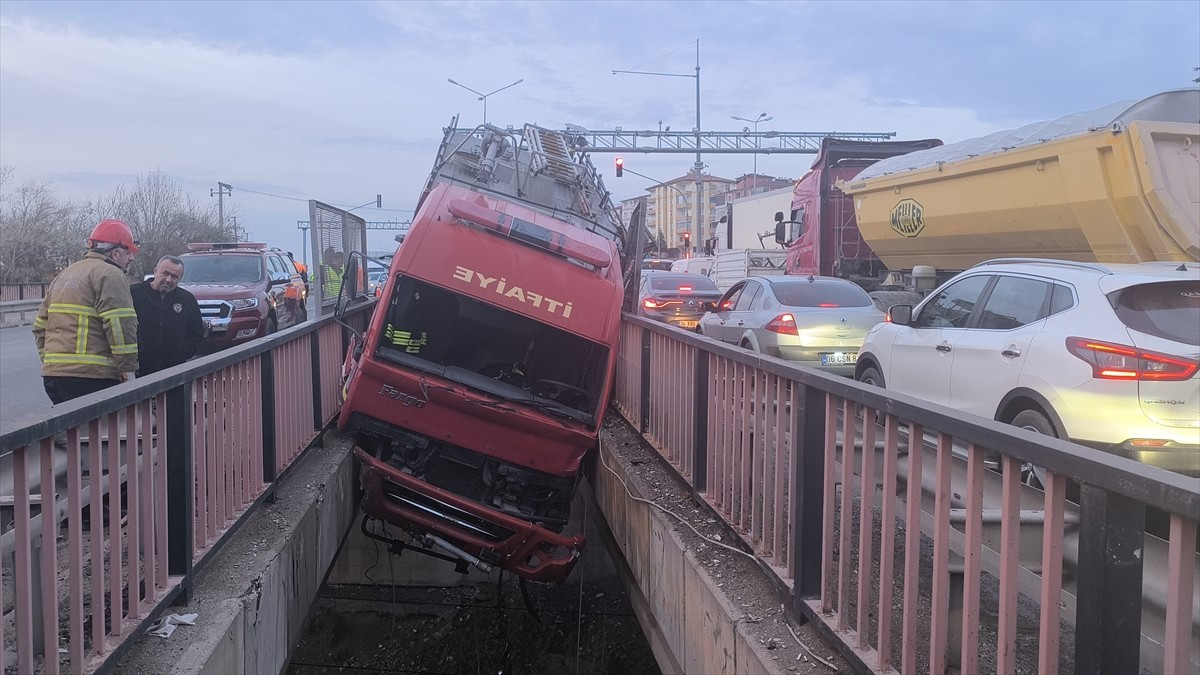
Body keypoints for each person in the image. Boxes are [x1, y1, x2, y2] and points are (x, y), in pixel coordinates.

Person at [33, 219, 140, 404]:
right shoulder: (111, 274)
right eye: (128, 252)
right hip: (93, 377)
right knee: (104, 432)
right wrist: (128, 371)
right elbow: (120, 327)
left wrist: (52, 363)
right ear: (116, 252)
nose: (131, 258)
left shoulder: (65, 274)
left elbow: (39, 326)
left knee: (71, 433)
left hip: (54, 376)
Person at [130, 255, 204, 376]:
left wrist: (183, 353)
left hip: (175, 371)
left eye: (175, 277)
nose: (169, 280)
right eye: (165, 273)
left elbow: (197, 332)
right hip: (140, 370)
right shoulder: (134, 294)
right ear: (155, 271)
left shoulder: (187, 300)